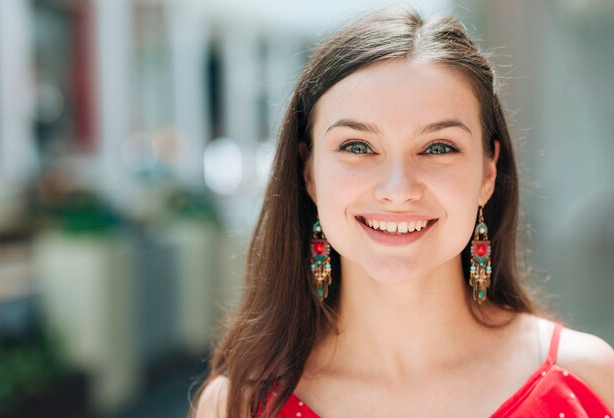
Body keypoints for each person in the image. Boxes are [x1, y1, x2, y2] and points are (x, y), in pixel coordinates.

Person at [192, 7, 614, 418]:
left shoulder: (590, 379)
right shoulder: (238, 407)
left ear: (488, 172)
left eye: (438, 148)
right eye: (357, 147)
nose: (398, 190)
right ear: (309, 173)